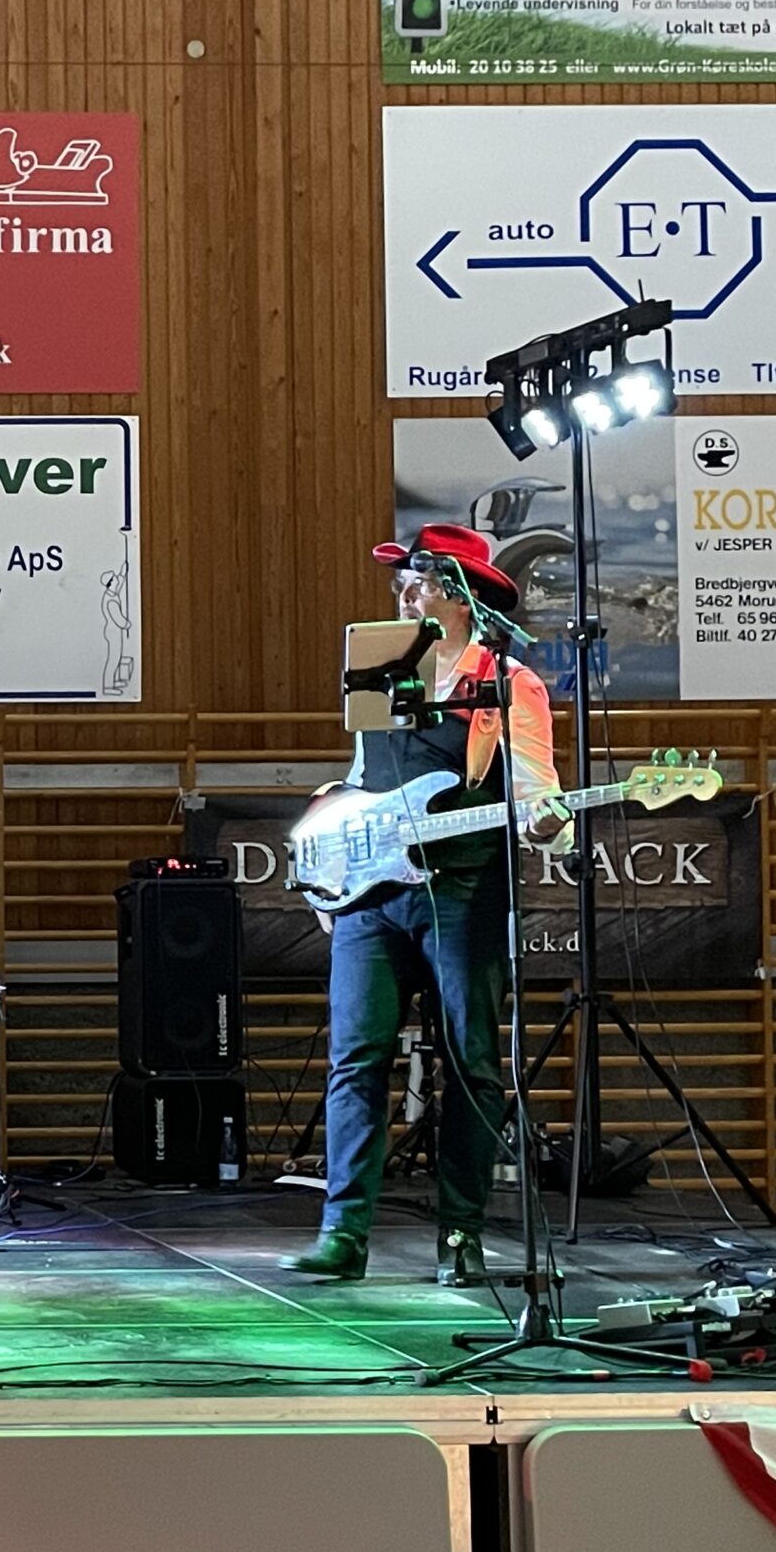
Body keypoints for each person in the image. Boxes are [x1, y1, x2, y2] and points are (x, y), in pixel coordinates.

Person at [283, 525, 572, 1286]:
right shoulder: (378, 669)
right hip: (373, 897)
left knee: (471, 1063)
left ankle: (461, 1233)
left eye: (421, 582)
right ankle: (343, 1233)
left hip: (463, 890)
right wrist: (335, 848)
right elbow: (364, 777)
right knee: (356, 1059)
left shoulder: (508, 682)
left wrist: (549, 822)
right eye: (402, 582)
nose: (405, 594)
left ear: (462, 596)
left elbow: (536, 787)